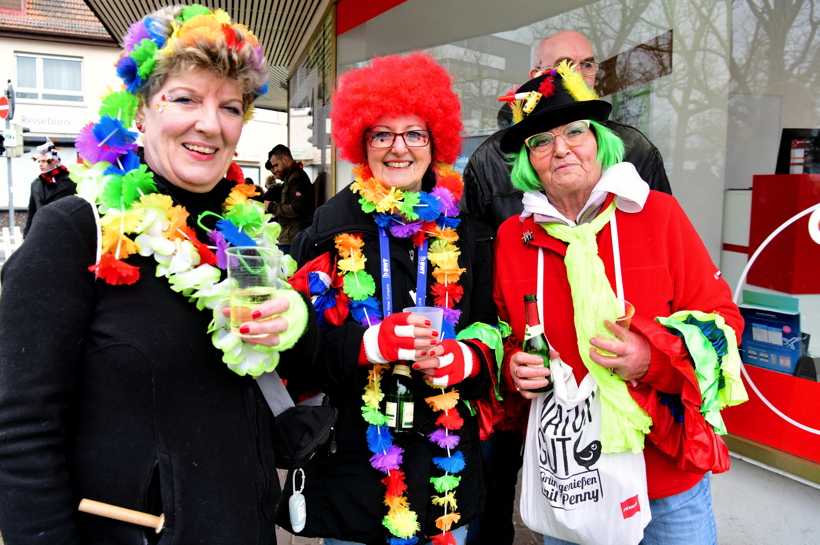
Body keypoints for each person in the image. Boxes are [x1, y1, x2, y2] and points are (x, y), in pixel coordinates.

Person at [0, 5, 318, 543]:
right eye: (186, 98)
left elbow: (281, 369)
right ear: (142, 112)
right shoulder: (78, 230)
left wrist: (296, 321)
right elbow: (19, 427)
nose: (210, 123)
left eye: (231, 107)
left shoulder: (247, 235)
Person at [493, 63, 747, 545]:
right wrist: (513, 368)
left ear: (599, 140)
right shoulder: (513, 238)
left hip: (665, 471)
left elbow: (723, 325)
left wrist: (652, 358)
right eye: (541, 141)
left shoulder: (657, 214)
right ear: (530, 161)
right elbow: (505, 334)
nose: (561, 148)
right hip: (573, 476)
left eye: (574, 132)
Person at [281, 53, 503, 545]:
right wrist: (368, 344)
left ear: (435, 142)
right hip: (352, 470)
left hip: (445, 471)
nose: (399, 149)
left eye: (414, 134)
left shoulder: (472, 234)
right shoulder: (323, 233)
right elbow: (294, 353)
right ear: (362, 143)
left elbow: (496, 325)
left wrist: (467, 357)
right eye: (382, 134)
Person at [465, 30, 673, 545]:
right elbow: (484, 285)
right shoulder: (495, 171)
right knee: (497, 489)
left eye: (585, 63)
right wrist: (506, 360)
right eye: (561, 64)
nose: (561, 150)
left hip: (636, 414)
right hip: (539, 390)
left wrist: (653, 355)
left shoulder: (636, 156)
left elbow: (660, 265)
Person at [462, 30, 672, 232]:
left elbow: (663, 230)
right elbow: (477, 252)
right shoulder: (489, 158)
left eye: (587, 65)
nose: (578, 75)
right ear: (538, 76)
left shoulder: (634, 147)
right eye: (566, 65)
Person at [263, 144, 314, 253]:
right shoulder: (291, 177)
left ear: (285, 159)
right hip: (291, 236)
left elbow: (297, 208)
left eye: (276, 165)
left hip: (293, 238)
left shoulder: (296, 178)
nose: (275, 170)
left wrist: (271, 207)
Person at [24, 141, 77, 237]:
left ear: (55, 161)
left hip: (64, 232)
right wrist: (27, 236)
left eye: (44, 161)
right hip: (42, 232)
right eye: (39, 161)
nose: (40, 164)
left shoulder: (71, 181)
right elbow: (32, 212)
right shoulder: (36, 184)